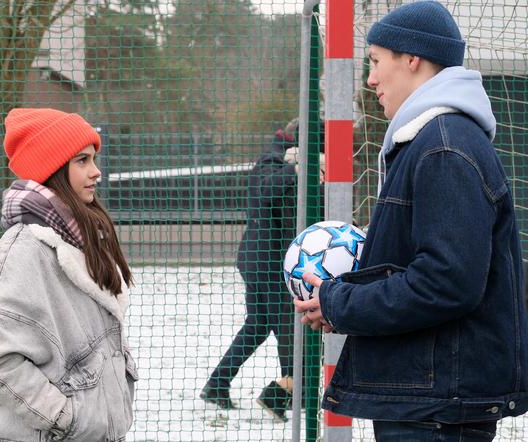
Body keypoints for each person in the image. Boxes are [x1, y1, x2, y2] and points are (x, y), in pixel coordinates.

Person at [294, 2, 528, 441]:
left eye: (377, 61)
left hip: (438, 407)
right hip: (430, 399)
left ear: (412, 58)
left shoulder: (444, 147)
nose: (371, 78)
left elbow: (446, 282)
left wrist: (341, 303)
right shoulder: (432, 140)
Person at [0, 108, 137, 441]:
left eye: (94, 159)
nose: (96, 172)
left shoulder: (78, 238)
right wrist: (68, 418)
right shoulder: (25, 247)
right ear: (53, 167)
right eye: (82, 161)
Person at [200, 118, 300, 421]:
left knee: (257, 326)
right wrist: (293, 167)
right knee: (288, 327)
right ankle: (283, 394)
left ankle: (217, 384)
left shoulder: (281, 159)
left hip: (262, 261)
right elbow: (265, 188)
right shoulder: (271, 159)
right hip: (267, 264)